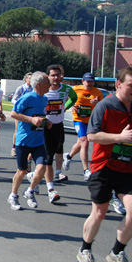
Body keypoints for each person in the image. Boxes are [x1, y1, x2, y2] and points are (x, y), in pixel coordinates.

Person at [76, 66, 132, 262]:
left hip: (128, 168)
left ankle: (117, 253)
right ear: (119, 84)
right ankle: (84, 249)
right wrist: (120, 138)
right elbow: (93, 136)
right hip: (103, 166)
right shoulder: (104, 106)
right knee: (100, 212)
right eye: (131, 85)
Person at [28, 64, 77, 204]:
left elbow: (73, 98)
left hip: (58, 126)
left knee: (55, 152)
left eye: (58, 75)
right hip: (44, 127)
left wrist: (64, 107)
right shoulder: (43, 89)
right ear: (48, 76)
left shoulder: (66, 89)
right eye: (53, 75)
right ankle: (51, 190)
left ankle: (34, 175)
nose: (55, 78)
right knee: (48, 158)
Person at [8, 71, 50, 210]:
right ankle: (13, 195)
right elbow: (14, 113)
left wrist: (47, 122)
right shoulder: (27, 97)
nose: (50, 84)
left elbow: (41, 116)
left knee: (42, 168)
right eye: (47, 82)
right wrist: (31, 119)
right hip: (24, 140)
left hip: (38, 141)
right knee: (22, 171)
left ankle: (30, 191)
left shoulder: (45, 99)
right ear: (39, 84)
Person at [63, 72, 104, 181]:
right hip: (79, 119)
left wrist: (97, 103)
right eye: (88, 81)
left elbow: (102, 108)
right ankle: (86, 170)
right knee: (84, 142)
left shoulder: (97, 92)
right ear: (83, 81)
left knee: (80, 143)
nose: (90, 83)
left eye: (92, 81)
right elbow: (67, 100)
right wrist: (72, 106)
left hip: (90, 120)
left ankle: (68, 156)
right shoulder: (76, 89)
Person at [11, 72, 33, 157]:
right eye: (29, 78)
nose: (31, 80)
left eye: (32, 78)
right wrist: (20, 105)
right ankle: (14, 148)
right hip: (20, 113)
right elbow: (14, 99)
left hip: (30, 113)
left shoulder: (34, 89)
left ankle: (29, 149)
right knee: (18, 130)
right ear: (26, 79)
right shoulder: (21, 88)